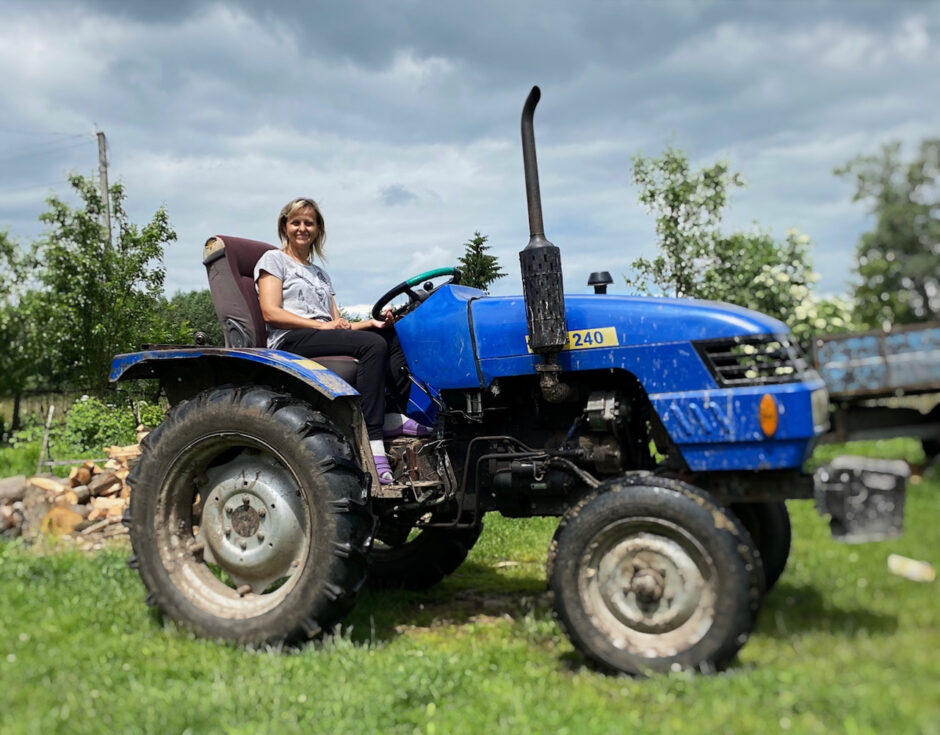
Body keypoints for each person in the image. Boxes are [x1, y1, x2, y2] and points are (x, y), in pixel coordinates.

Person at [254, 197, 427, 485]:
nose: (302, 228)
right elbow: (270, 312)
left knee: (387, 335)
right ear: (284, 226)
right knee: (372, 346)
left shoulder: (319, 273)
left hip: (319, 334)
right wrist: (320, 327)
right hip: (290, 340)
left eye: (309, 223)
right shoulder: (273, 260)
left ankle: (397, 413)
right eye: (295, 222)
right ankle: (374, 439)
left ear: (318, 229)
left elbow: (338, 323)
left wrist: (370, 323)